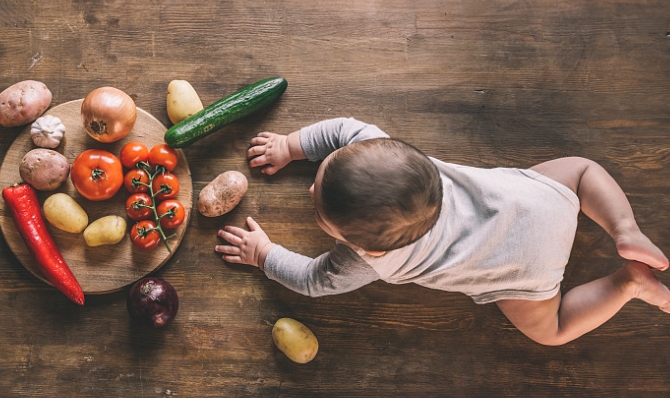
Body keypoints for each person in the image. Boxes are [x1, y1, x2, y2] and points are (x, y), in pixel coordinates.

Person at [214, 117, 670, 346]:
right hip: (539, 206)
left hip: (523, 271)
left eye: (318, 209)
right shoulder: (377, 149)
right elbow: (343, 129)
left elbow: (314, 279)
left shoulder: (369, 261)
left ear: (360, 249)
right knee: (582, 170)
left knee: (552, 329)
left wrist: (264, 253)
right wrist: (292, 146)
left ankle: (627, 282)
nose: (312, 186)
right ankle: (624, 228)